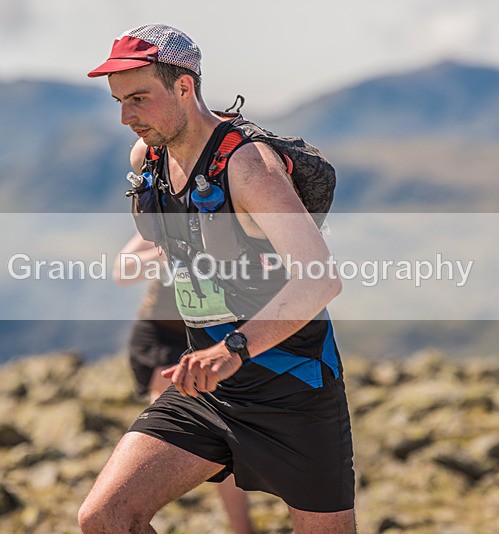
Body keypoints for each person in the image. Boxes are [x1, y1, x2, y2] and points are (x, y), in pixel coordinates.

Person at [80, 24, 355, 533]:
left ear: (184, 87)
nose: (125, 117)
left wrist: (233, 348)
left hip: (293, 390)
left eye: (138, 98)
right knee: (105, 517)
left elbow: (320, 279)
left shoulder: (249, 166)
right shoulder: (148, 159)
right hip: (206, 391)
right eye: (119, 102)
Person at [112, 232, 256, 533]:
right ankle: (122, 516)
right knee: (186, 432)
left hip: (220, 342)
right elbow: (122, 271)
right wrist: (172, 250)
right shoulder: (169, 217)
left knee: (225, 438)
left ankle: (243, 529)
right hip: (163, 338)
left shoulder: (239, 216)